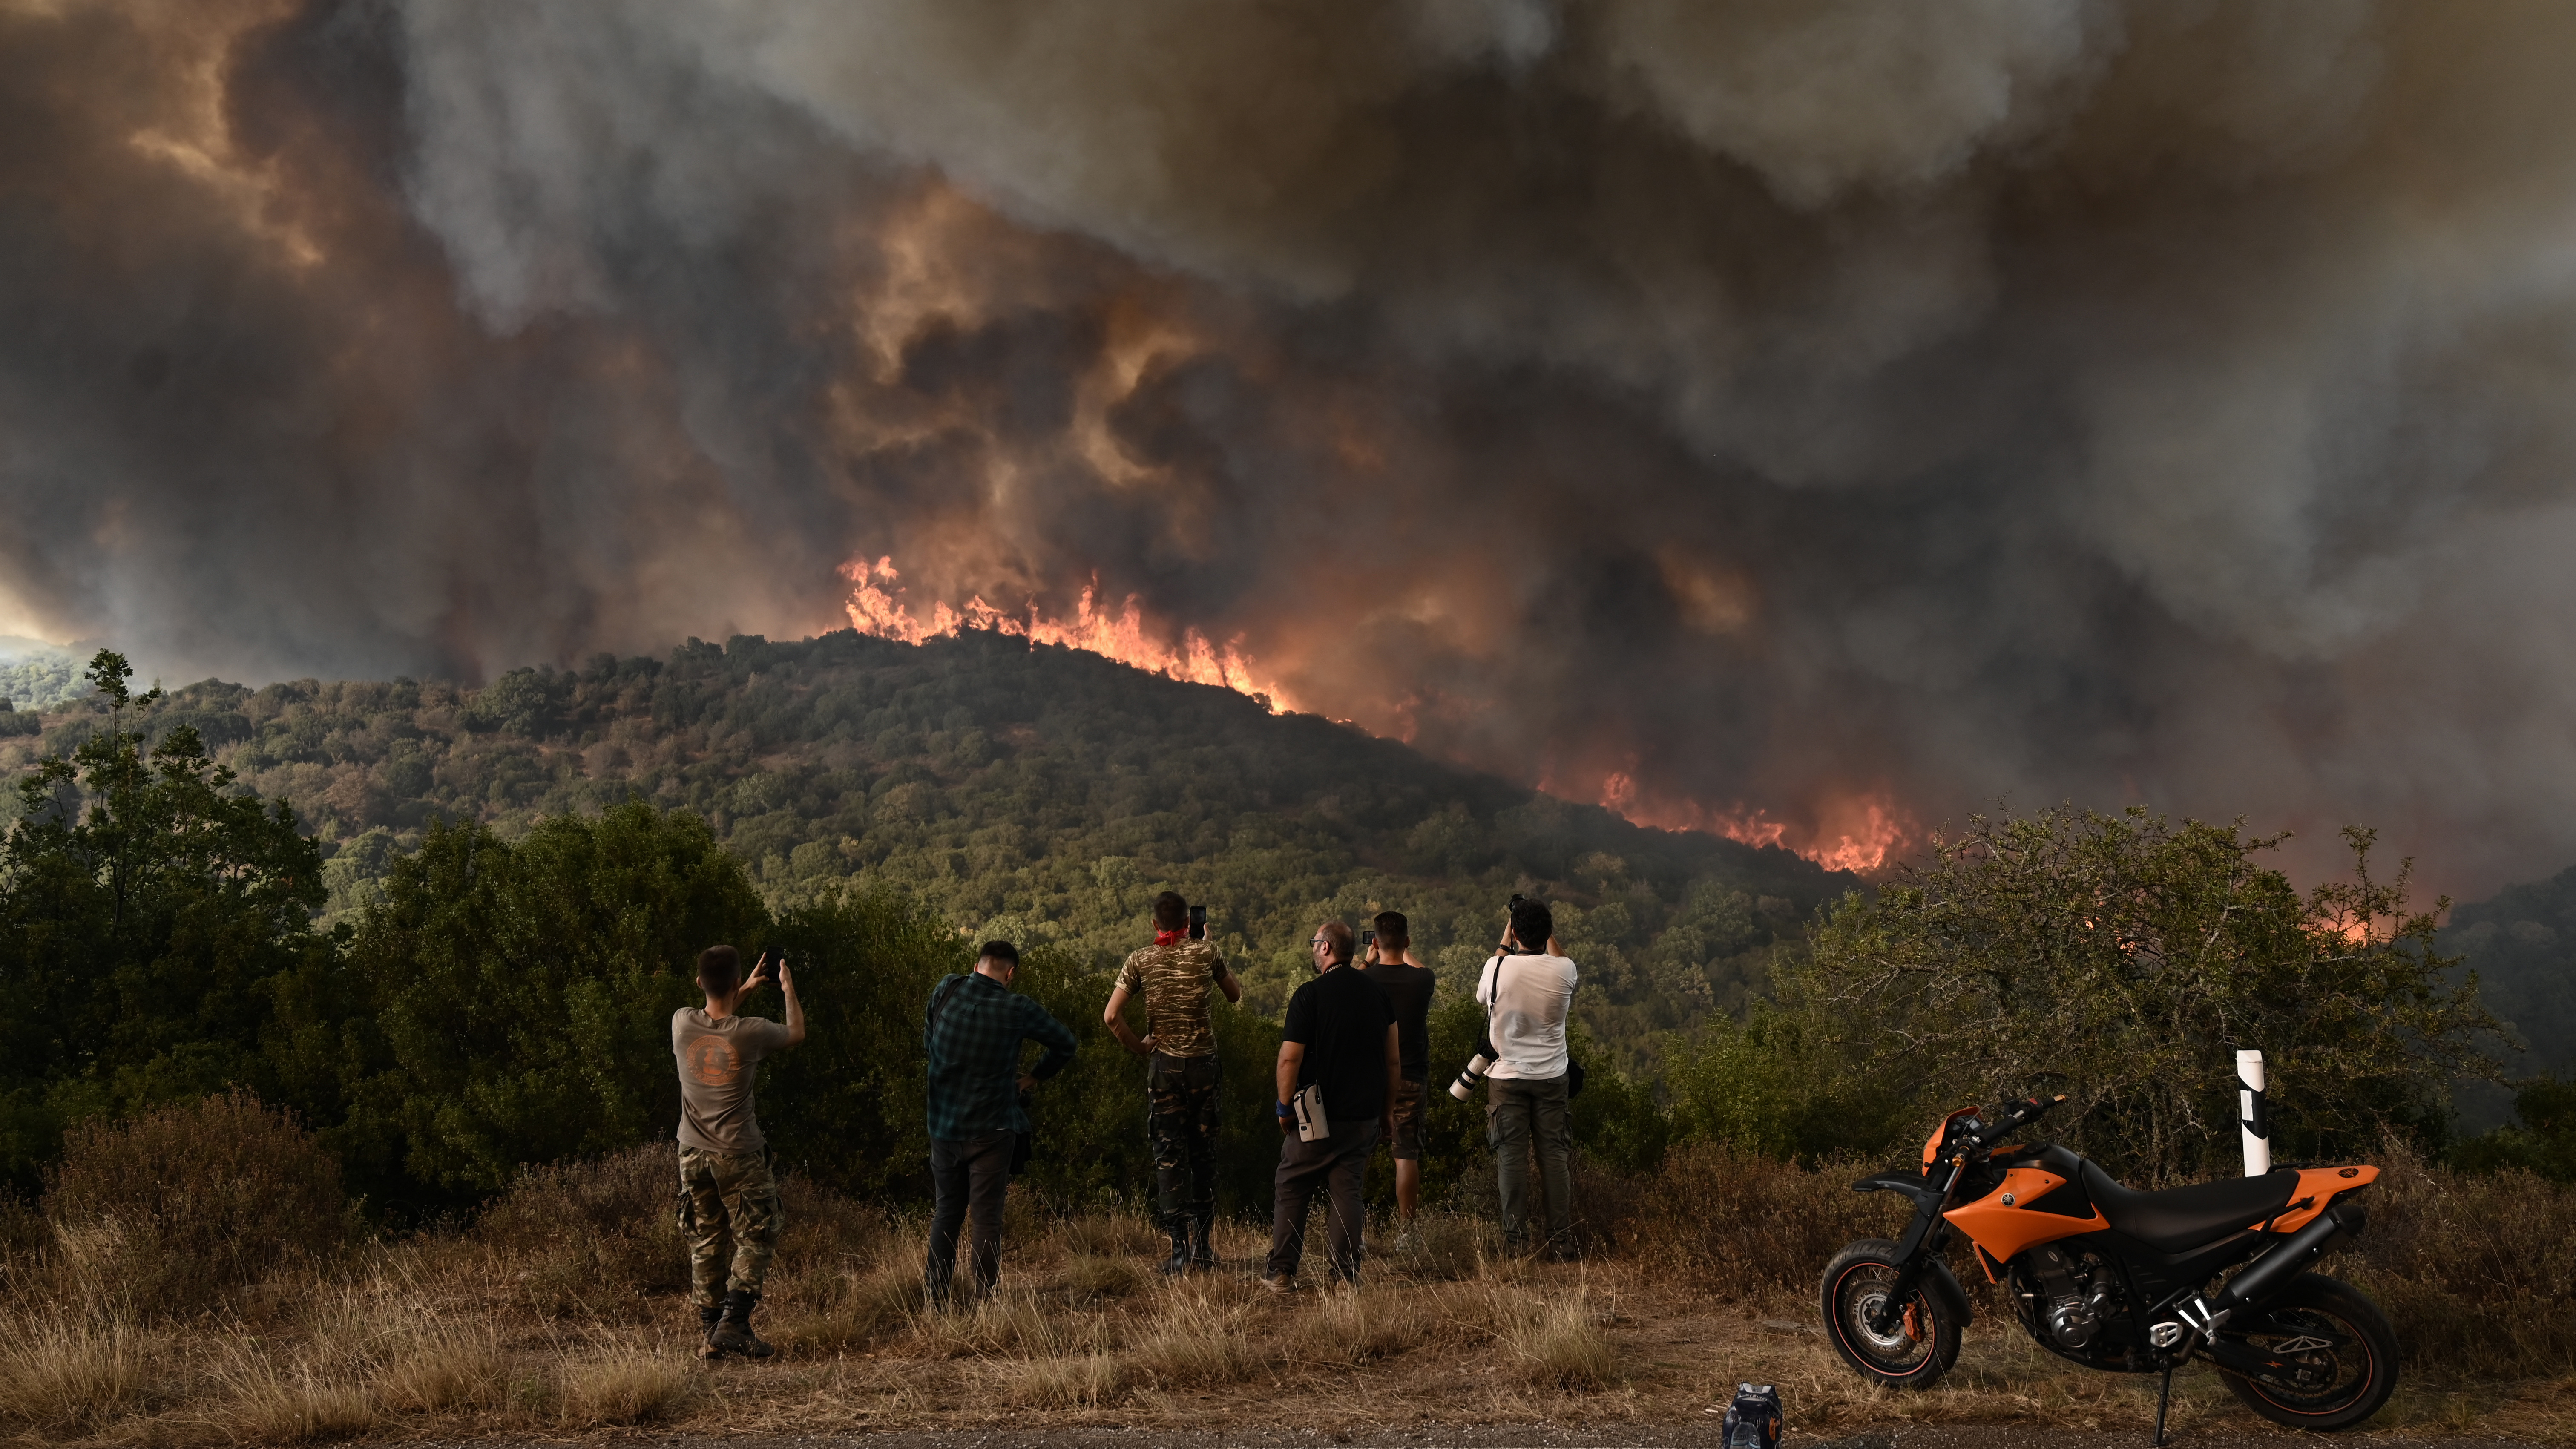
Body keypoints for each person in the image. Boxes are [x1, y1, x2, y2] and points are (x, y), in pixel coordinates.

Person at [923, 940, 1078, 1305]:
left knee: (946, 1214)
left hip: (942, 1125)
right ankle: (985, 1303)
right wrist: (1032, 1079)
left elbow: (929, 1043)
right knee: (986, 1220)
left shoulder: (947, 988)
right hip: (992, 1130)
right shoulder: (1017, 1008)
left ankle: (935, 1302)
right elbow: (1065, 1044)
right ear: (1011, 974)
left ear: (977, 965)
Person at [674, 943, 806, 1358]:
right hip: (739, 1152)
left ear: (699, 983)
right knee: (757, 1232)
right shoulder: (751, 1032)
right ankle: (735, 1322)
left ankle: (711, 1333)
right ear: (733, 982)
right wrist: (786, 988)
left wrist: (744, 986)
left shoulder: (681, 1024)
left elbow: (718, 1015)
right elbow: (797, 1032)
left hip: (692, 1152)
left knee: (706, 1238)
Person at [1105, 891, 1243, 1274]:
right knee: (1204, 1157)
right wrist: (1209, 946)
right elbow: (1235, 996)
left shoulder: (1140, 959)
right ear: (1189, 923)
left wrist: (1140, 1047)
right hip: (1203, 1067)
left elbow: (1111, 1016)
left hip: (1164, 1068)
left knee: (1169, 1158)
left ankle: (1179, 1251)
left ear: (1155, 925)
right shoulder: (1206, 953)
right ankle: (1204, 1248)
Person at [1265, 920, 1399, 1291]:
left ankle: (1281, 1273)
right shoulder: (1378, 995)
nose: (1313, 948)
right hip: (1364, 1115)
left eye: (1314, 943)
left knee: (1292, 1183)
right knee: (1347, 1191)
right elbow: (1393, 1062)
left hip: (1316, 1115)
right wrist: (1387, 1113)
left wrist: (1283, 1108)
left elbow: (1289, 1060)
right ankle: (1344, 1279)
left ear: (1326, 948)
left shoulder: (1310, 995)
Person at [1477, 896, 1580, 1259]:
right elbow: (1561, 958)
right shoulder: (1564, 970)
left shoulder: (1496, 968)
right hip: (1553, 1075)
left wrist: (1507, 937)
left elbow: (1485, 992)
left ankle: (1516, 1245)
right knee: (1554, 1157)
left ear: (1516, 932)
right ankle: (1561, 1241)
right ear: (1550, 932)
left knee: (1512, 1159)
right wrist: (1544, 933)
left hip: (1507, 1077)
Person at [1361, 911, 1435, 1245]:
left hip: (1370, 1077)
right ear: (1407, 942)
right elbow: (1420, 968)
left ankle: (1353, 1231)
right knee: (1405, 1155)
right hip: (1410, 1076)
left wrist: (1367, 961)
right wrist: (1402, 949)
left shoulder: (1365, 981)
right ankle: (1408, 1233)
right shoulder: (1422, 980)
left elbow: (1348, 981)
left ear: (1375, 942)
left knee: (1358, 1152)